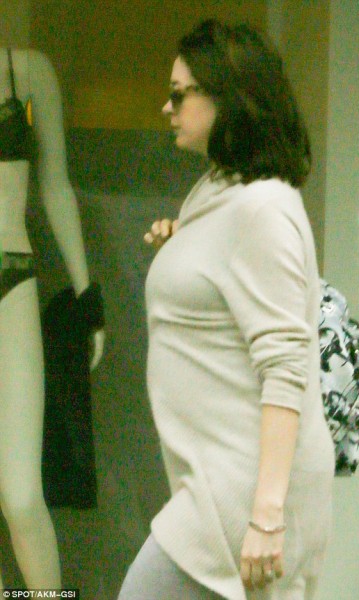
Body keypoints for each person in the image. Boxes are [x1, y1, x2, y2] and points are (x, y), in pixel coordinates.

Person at [118, 19, 334, 600]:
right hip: (219, 483)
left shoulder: (263, 207)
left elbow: (286, 366)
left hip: (245, 496)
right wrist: (181, 247)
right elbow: (222, 282)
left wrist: (266, 517)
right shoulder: (221, 190)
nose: (166, 108)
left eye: (179, 93)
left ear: (227, 97)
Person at [0, 47, 104, 589]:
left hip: (11, 277)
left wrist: (87, 297)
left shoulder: (27, 71)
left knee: (22, 499)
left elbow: (56, 185)